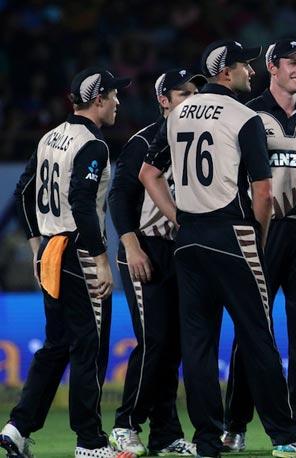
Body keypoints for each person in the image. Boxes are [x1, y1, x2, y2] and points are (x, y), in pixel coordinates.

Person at [139, 40, 296, 458]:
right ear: (225, 72)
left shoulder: (179, 113)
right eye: (244, 65)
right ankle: (285, 436)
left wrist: (180, 216)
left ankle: (207, 441)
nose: (250, 72)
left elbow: (150, 173)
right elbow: (262, 190)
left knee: (198, 345)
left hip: (189, 240)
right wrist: (258, 237)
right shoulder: (245, 116)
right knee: (258, 337)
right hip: (232, 233)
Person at [1, 68, 131, 458]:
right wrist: (100, 260)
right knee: (87, 348)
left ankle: (17, 428)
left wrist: (36, 243)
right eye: (113, 95)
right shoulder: (92, 144)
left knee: (57, 345)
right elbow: (80, 203)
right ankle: (90, 442)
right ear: (98, 100)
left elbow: (24, 193)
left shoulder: (50, 136)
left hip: (54, 251)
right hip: (79, 252)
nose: (118, 102)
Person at [221, 39, 296, 453]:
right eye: (291, 63)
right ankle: (235, 424)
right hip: (261, 231)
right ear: (271, 67)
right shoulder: (250, 116)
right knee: (255, 330)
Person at [107, 69, 206, 457]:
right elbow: (119, 197)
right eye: (184, 95)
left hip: (179, 250)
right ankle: (124, 424)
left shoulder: (200, 138)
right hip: (145, 246)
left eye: (197, 94)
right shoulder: (145, 140)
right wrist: (131, 247)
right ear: (164, 100)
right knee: (156, 341)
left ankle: (164, 433)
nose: (193, 101)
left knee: (174, 345)